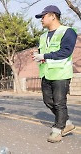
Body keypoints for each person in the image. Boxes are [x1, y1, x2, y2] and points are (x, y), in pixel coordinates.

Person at [33, 5, 77, 143]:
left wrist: (44, 55)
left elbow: (66, 52)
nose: (41, 19)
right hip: (46, 73)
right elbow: (43, 53)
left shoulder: (68, 31)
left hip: (61, 73)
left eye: (43, 16)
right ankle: (67, 122)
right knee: (48, 101)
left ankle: (58, 130)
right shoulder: (42, 36)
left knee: (59, 102)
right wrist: (37, 56)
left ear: (53, 16)